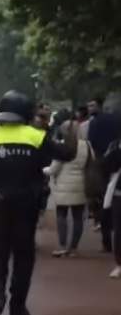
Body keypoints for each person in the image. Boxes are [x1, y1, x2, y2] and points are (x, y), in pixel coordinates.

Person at [0, 90, 73, 315]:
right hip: (27, 207)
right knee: (24, 256)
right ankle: (17, 310)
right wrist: (71, 133)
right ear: (27, 113)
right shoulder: (36, 137)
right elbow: (67, 153)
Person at [44, 120, 88, 257]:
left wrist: (43, 169)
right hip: (81, 184)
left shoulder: (62, 146)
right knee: (78, 217)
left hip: (62, 186)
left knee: (61, 215)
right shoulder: (86, 145)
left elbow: (53, 169)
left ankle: (62, 246)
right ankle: (74, 248)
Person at [84, 97, 119, 253]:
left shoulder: (94, 122)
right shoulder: (116, 120)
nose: (89, 108)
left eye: (92, 105)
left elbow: (91, 142)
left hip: (100, 162)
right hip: (117, 160)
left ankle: (107, 242)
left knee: (103, 200)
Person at [100, 137, 121, 278]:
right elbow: (106, 166)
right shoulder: (116, 147)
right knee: (119, 230)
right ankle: (119, 264)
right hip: (119, 194)